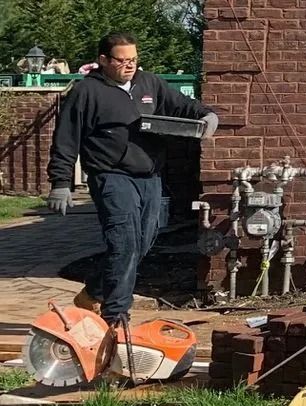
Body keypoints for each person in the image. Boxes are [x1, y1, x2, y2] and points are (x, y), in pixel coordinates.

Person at [46, 32, 218, 329]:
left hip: (149, 176)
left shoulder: (149, 83)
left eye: (134, 59)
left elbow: (181, 104)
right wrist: (61, 183)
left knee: (143, 242)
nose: (130, 66)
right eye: (122, 60)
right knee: (124, 241)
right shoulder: (86, 93)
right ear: (103, 60)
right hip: (111, 175)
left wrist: (207, 115)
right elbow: (66, 139)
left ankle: (95, 292)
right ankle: (116, 315)